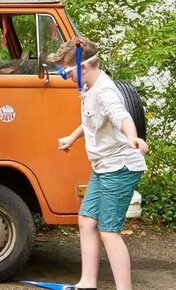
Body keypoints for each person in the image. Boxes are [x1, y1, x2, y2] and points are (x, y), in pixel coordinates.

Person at [51, 37, 148, 290]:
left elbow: (121, 116)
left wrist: (132, 137)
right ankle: (87, 282)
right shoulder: (89, 88)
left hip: (120, 167)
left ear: (83, 67)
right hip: (103, 166)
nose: (66, 77)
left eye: (66, 72)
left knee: (109, 231)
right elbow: (92, 120)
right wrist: (72, 137)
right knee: (86, 220)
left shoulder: (105, 91)